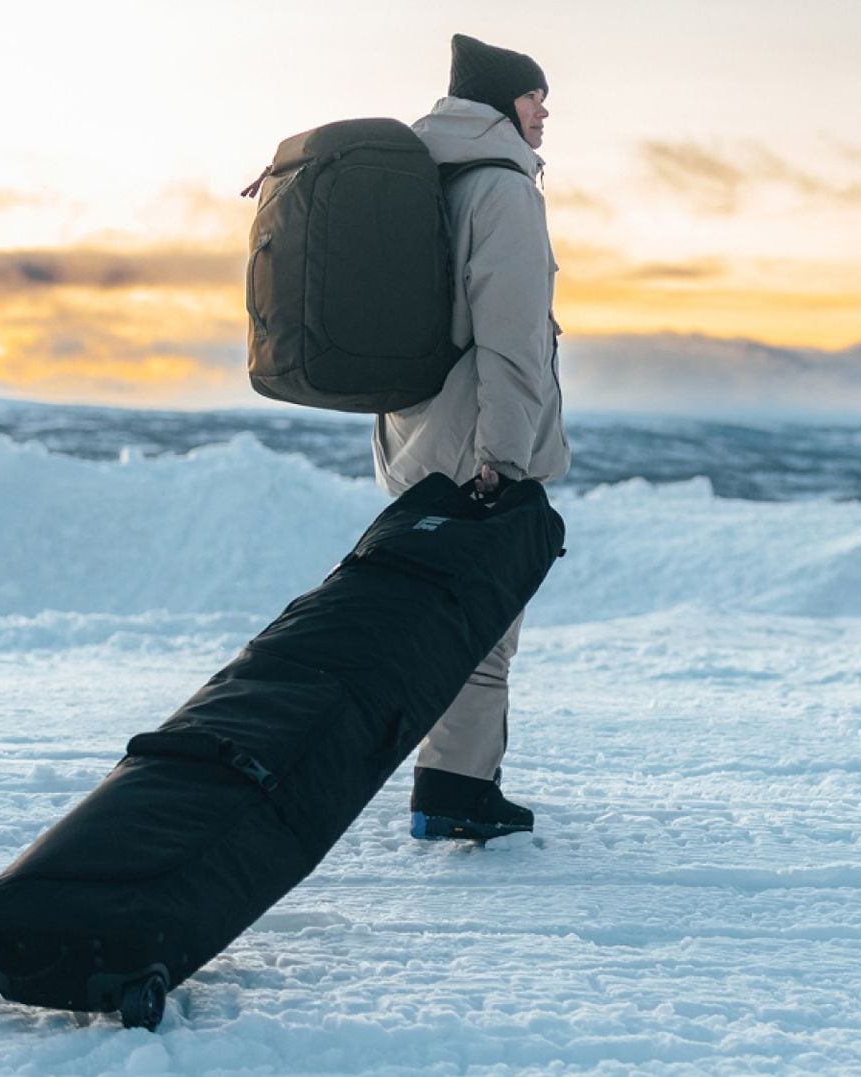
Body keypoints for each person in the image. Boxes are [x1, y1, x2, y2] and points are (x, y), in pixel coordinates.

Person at [372, 33, 571, 841]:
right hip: (478, 436)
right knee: (482, 623)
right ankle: (455, 793)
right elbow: (515, 341)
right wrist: (507, 460)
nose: (545, 113)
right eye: (533, 99)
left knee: (444, 615)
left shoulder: (420, 174)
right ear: (498, 105)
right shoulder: (502, 191)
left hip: (411, 432)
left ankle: (450, 782)